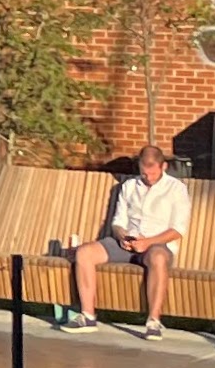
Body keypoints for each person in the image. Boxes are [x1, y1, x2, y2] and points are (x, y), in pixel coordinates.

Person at [61, 140, 190, 337]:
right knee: (85, 253)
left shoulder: (176, 189)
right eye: (144, 173)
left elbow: (178, 230)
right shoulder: (129, 186)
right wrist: (122, 236)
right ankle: (87, 315)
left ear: (163, 166)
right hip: (127, 242)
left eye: (153, 173)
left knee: (158, 258)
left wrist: (147, 242)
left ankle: (154, 322)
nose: (148, 177)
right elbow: (117, 221)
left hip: (156, 245)